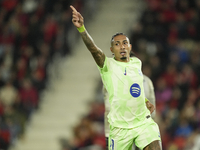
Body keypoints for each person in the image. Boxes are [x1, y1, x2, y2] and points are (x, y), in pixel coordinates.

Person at [70, 5, 162, 150]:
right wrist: (82, 29)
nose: (122, 46)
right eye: (117, 44)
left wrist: (144, 101)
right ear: (112, 50)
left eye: (125, 43)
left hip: (143, 123)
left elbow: (133, 85)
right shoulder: (107, 65)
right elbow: (94, 49)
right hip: (120, 128)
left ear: (130, 47)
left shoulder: (137, 63)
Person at [103, 74, 156, 150]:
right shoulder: (113, 81)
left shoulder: (147, 81)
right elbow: (109, 109)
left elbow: (152, 107)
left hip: (142, 127)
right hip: (121, 129)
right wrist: (108, 134)